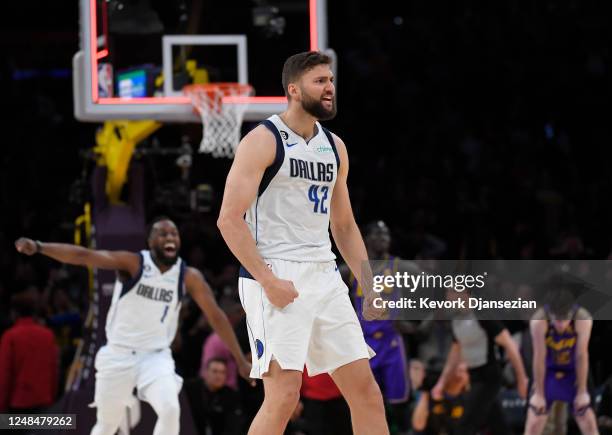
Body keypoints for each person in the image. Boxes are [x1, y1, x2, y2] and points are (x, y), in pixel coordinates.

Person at [217, 50, 388, 435]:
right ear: (294, 90)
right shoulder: (262, 140)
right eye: (320, 81)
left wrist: (368, 282)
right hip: (276, 272)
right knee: (282, 396)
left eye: (330, 80)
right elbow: (229, 219)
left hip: (324, 275)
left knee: (367, 393)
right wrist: (268, 280)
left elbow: (343, 225)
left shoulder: (335, 147)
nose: (330, 88)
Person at [14, 217, 252, 435]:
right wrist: (39, 247)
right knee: (107, 424)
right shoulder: (133, 264)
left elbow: (216, 316)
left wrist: (240, 360)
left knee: (170, 409)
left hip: (155, 357)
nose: (170, 237)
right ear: (150, 241)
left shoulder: (188, 276)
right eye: (163, 234)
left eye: (174, 234)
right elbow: (83, 256)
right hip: (118, 355)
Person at [341, 220, 413, 432]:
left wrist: (420, 325)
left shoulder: (399, 267)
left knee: (398, 402)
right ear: (366, 238)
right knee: (362, 398)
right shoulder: (350, 269)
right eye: (379, 235)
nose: (385, 239)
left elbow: (435, 286)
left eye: (387, 235)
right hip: (363, 343)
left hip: (391, 342)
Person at [432, 289, 529, 435]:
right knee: (498, 424)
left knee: (465, 425)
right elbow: (455, 353)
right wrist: (441, 382)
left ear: (464, 293)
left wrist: (522, 380)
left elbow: (509, 344)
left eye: (451, 294)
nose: (448, 298)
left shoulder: (481, 313)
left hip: (489, 376)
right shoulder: (455, 319)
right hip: (474, 376)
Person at [524, 300, 599, 435]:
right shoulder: (539, 320)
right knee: (535, 420)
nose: (561, 325)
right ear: (550, 314)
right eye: (557, 320)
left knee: (587, 419)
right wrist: (539, 394)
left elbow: (581, 356)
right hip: (548, 370)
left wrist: (582, 391)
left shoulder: (582, 317)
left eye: (565, 320)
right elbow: (539, 357)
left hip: (573, 371)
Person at [0, 286, 58, 413]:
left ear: (14, 313)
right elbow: (54, 369)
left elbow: (4, 375)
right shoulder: (48, 335)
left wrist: (2, 407)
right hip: (44, 402)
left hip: (18, 404)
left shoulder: (10, 337)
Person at [184, 358, 244, 435]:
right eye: (215, 371)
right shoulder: (190, 388)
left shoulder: (231, 396)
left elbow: (234, 425)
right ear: (205, 372)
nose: (218, 376)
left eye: (222, 372)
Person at [412, 361, 469, 435]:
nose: (459, 375)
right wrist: (425, 389)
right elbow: (418, 427)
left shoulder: (470, 395)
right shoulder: (429, 394)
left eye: (462, 371)